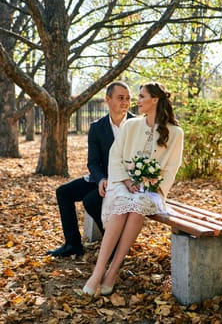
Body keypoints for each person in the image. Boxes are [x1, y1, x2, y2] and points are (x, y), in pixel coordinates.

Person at [82, 81, 184, 295]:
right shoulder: (131, 125)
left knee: (137, 207)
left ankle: (113, 271)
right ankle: (99, 271)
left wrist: (150, 184)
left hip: (152, 190)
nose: (135, 101)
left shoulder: (175, 133)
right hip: (123, 182)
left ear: (154, 100)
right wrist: (127, 181)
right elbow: (115, 156)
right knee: (122, 204)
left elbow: (171, 168)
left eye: (141, 96)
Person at [46, 81, 134, 257]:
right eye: (120, 98)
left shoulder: (136, 125)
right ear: (107, 100)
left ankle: (114, 245)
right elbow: (93, 162)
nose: (125, 102)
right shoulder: (96, 127)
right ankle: (73, 244)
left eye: (128, 98)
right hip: (102, 178)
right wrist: (101, 179)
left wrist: (119, 180)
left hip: (126, 181)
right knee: (63, 192)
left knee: (91, 200)